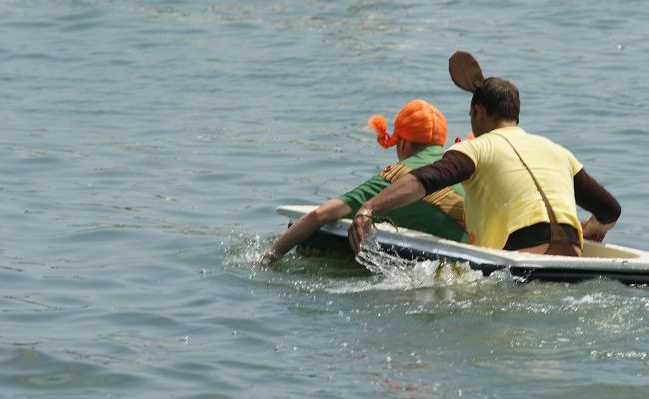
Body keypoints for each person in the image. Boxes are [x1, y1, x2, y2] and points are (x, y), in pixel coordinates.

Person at [347, 54, 620, 256]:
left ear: (478, 112)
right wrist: (589, 228)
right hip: (572, 250)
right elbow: (610, 210)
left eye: (470, 116)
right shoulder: (557, 151)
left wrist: (370, 208)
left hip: (521, 250)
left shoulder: (475, 148)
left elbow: (423, 180)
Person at [261, 99, 467, 265]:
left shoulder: (395, 178)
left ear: (403, 143)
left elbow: (319, 214)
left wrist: (266, 258)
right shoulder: (459, 165)